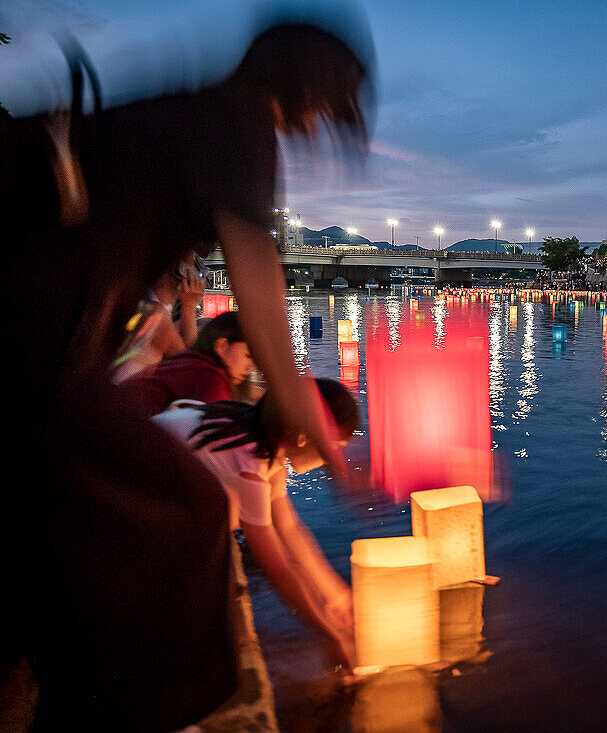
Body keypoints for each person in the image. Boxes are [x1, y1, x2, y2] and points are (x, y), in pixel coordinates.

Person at [4, 19, 374, 730]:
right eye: (331, 105)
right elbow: (262, 302)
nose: (322, 124)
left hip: (45, 337)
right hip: (40, 344)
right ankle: (132, 707)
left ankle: (76, 689)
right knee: (193, 511)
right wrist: (329, 451)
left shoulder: (193, 108)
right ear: (306, 84)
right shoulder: (241, 129)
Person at [154, 378, 359, 670]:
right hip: (121, 490)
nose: (331, 459)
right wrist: (330, 634)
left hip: (144, 474)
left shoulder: (264, 438)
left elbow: (289, 528)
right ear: (303, 436)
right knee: (229, 509)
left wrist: (334, 594)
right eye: (332, 447)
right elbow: (276, 568)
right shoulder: (248, 463)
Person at [118, 311, 255, 418]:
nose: (250, 367)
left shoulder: (193, 363)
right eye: (248, 356)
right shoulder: (210, 379)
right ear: (222, 346)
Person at [111, 253, 205, 383]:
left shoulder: (145, 302)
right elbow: (190, 363)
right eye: (191, 266)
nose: (196, 273)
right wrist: (189, 305)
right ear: (181, 272)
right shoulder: (157, 315)